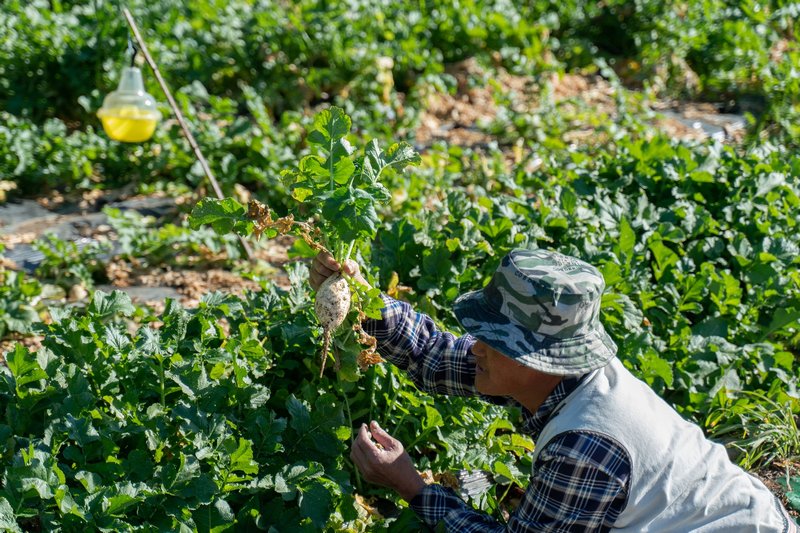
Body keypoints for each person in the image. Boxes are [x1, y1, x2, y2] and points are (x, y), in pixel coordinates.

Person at [310, 248, 798, 532]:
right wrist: (361, 301)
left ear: (537, 360)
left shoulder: (586, 445)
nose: (476, 346)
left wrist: (411, 487)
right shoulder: (556, 381)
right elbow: (436, 355)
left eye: (495, 340)